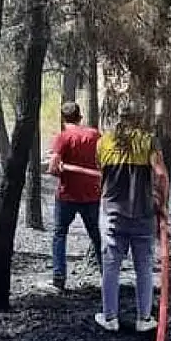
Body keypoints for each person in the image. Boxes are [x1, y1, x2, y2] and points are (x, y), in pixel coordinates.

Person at [94, 102, 170, 333]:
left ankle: (110, 318)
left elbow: (100, 174)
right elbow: (161, 175)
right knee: (144, 267)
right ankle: (144, 319)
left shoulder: (103, 141)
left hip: (112, 213)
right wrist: (162, 204)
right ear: (139, 119)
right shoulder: (148, 141)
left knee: (111, 267)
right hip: (143, 214)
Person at [46, 102, 103, 291]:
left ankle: (59, 277)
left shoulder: (62, 138)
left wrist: (57, 169)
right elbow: (104, 158)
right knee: (96, 235)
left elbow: (53, 168)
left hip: (67, 195)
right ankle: (108, 274)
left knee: (60, 234)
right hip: (91, 194)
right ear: (80, 116)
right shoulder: (95, 135)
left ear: (63, 118)